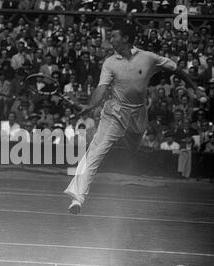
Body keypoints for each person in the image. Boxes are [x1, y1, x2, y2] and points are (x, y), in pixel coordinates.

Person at [64, 24, 205, 214]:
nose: (110, 39)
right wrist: (90, 106)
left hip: (138, 115)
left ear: (126, 38)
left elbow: (176, 69)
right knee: (95, 151)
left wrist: (194, 87)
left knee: (134, 148)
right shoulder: (110, 63)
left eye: (114, 35)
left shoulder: (149, 58)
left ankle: (132, 147)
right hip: (114, 113)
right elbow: (101, 88)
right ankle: (77, 198)